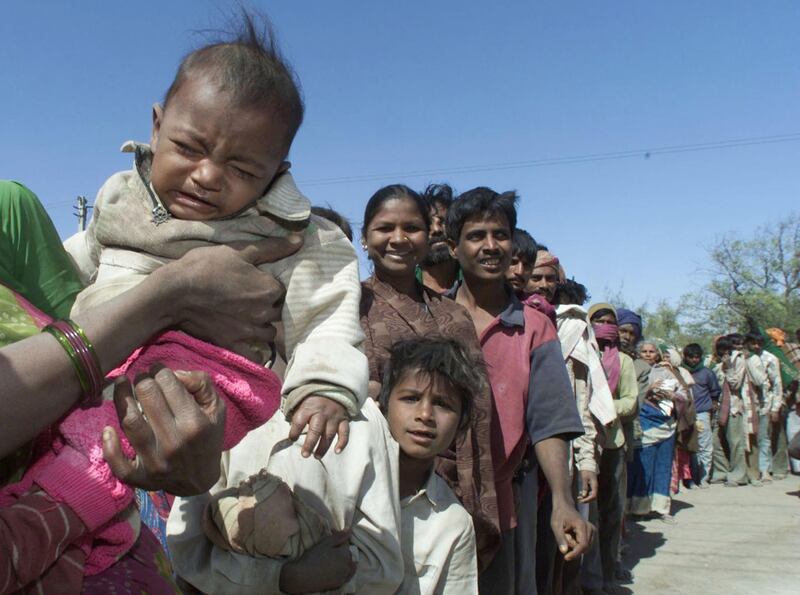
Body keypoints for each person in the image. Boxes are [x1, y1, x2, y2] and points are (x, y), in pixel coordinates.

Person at [65, 15, 366, 463]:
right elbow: (76, 260)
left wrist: (325, 387)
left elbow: (327, 315)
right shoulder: (120, 194)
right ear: (156, 127)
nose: (206, 177)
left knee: (108, 455)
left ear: (275, 175)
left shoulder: (290, 234)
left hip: (202, 386)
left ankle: (67, 505)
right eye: (188, 148)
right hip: (96, 360)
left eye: (243, 170)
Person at [0, 181, 301, 592]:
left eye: (239, 166)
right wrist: (171, 294)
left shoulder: (9, 209)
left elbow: (92, 325)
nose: (207, 174)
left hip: (112, 507)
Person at [444, 186, 591, 593]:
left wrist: (562, 500)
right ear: (453, 246)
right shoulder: (431, 315)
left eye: (501, 234)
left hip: (501, 507)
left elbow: (549, 422)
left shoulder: (535, 326)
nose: (491, 246)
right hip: (429, 502)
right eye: (476, 236)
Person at [358, 184, 499, 569]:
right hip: (364, 488)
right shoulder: (347, 307)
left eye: (412, 228)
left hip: (443, 489)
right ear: (364, 237)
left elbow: (477, 418)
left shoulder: (453, 317)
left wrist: (476, 505)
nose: (399, 239)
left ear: (430, 235)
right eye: (385, 228)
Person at [586, 304, 639, 593]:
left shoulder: (624, 361)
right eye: (599, 321)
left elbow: (631, 401)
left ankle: (606, 572)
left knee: (610, 512)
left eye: (610, 322)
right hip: (582, 443)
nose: (605, 326)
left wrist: (603, 408)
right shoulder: (581, 352)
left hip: (612, 442)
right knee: (586, 514)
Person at [627, 342, 686, 523]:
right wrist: (648, 390)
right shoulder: (633, 370)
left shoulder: (667, 372)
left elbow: (684, 395)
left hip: (666, 424)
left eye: (651, 352)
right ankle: (639, 508)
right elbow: (630, 394)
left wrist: (671, 396)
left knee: (663, 466)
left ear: (657, 354)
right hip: (644, 423)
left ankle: (661, 507)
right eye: (644, 351)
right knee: (643, 467)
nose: (647, 354)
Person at [726, 333, 767, 486]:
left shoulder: (754, 359)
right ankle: (738, 474)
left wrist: (747, 362)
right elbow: (733, 384)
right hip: (735, 405)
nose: (739, 348)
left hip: (751, 403)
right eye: (735, 345)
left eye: (741, 345)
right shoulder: (730, 360)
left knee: (752, 439)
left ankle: (754, 474)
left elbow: (759, 380)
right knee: (736, 441)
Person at [681, 343, 721, 488]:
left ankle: (703, 478)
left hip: (702, 414)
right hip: (684, 415)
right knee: (689, 447)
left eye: (697, 357)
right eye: (691, 357)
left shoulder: (707, 373)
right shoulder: (680, 372)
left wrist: (713, 406)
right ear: (685, 357)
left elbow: (715, 392)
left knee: (705, 446)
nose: (694, 360)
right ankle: (690, 479)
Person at [746, 333, 783, 482]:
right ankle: (750, 471)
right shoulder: (743, 358)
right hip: (747, 404)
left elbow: (777, 384)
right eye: (753, 343)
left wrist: (775, 407)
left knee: (764, 438)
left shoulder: (770, 359)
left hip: (764, 404)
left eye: (758, 343)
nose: (756, 346)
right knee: (749, 439)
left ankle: (764, 470)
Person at [418, 183, 460, 294]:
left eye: (443, 221)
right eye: (427, 224)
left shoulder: (478, 281)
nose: (436, 229)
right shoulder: (403, 289)